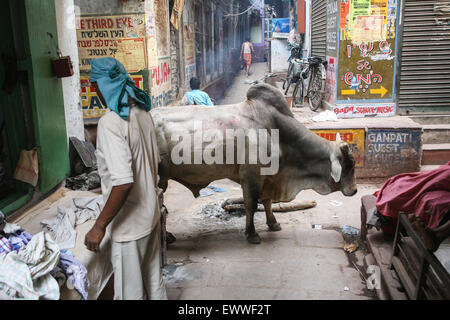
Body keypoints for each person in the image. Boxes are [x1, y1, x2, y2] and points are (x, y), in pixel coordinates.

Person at [84, 57, 167, 300]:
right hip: (150, 214)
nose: (95, 90)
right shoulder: (143, 113)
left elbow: (123, 182)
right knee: (154, 282)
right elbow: (154, 165)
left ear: (103, 86)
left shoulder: (110, 123)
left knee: (129, 293)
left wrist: (99, 226)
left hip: (129, 227)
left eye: (95, 85)